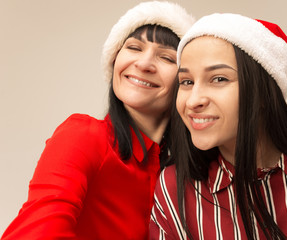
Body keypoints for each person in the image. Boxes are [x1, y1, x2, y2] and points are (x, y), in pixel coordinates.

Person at [150, 13, 287, 239]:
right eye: (187, 82)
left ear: (262, 92)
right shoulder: (174, 189)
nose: (193, 101)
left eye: (219, 79)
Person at [1, 1, 194, 239]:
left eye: (166, 57)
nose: (144, 64)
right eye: (134, 48)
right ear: (114, 60)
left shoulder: (180, 175)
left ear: (185, 82)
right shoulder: (84, 135)